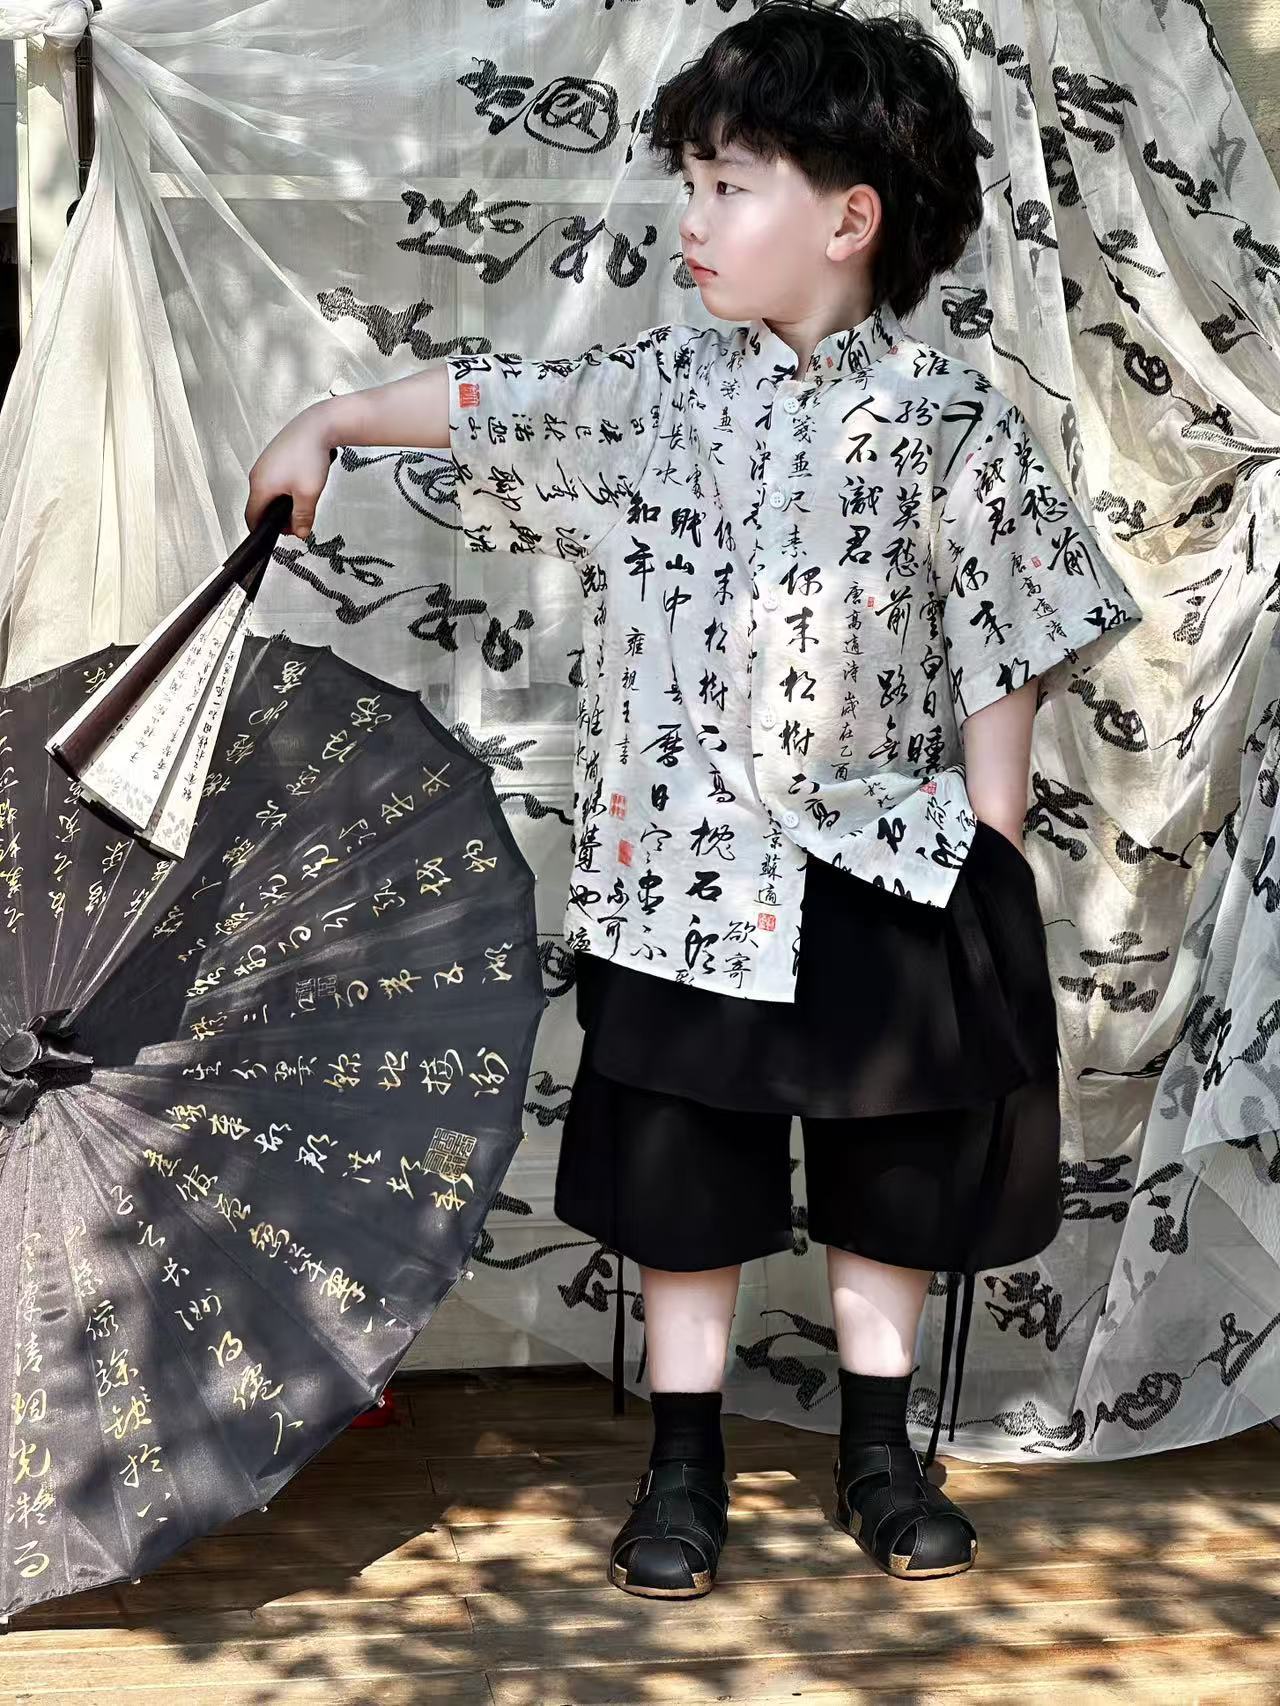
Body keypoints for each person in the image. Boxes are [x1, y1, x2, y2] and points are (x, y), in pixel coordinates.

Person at [246, 0, 1143, 1601]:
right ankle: (683, 1459)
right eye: (692, 182)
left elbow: (1007, 630)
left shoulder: (950, 422)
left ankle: (881, 1453)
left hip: (885, 864)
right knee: (685, 1170)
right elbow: (499, 400)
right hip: (681, 867)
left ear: (848, 220)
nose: (695, 217)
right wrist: (331, 420)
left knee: (889, 1164)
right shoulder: (656, 391)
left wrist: (994, 845)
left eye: (730, 186)